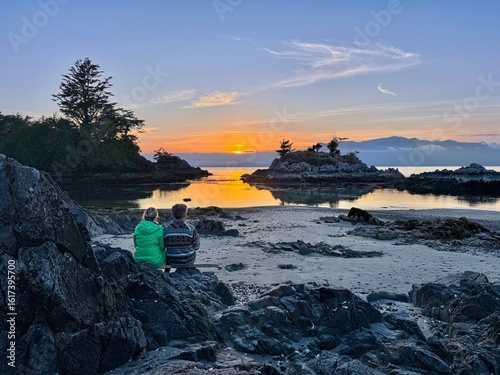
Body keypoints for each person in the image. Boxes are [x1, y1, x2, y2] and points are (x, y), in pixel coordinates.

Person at [163, 203, 200, 268]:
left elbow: (164, 245)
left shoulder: (166, 229)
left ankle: (167, 272)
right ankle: (186, 268)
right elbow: (196, 247)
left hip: (172, 260)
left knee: (168, 252)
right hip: (188, 260)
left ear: (172, 214)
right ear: (185, 214)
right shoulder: (191, 228)